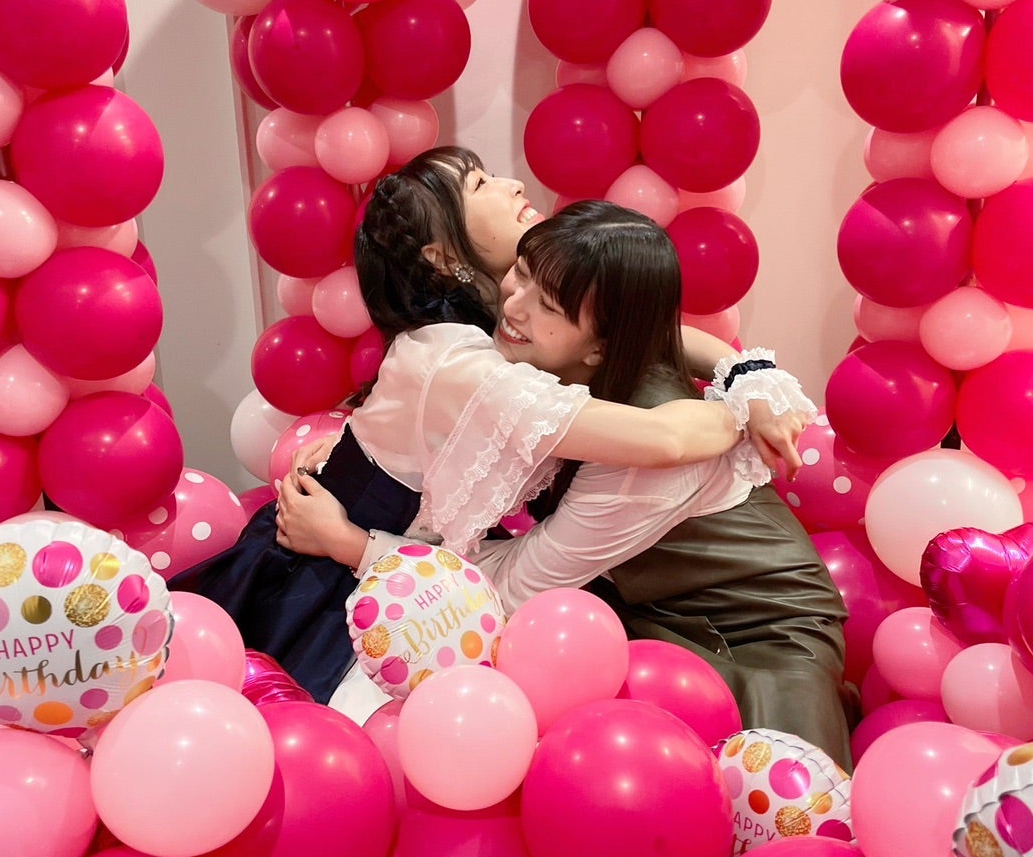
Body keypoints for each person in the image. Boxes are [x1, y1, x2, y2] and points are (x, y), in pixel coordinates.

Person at [173, 149, 807, 704]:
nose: (511, 185)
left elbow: (654, 333)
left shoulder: (492, 321)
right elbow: (667, 439)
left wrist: (750, 373)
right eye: (479, 184)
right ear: (443, 255)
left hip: (411, 564)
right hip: (340, 581)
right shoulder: (468, 359)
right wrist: (746, 405)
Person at [286, 200, 850, 767]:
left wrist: (354, 545)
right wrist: (365, 450)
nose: (514, 305)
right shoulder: (560, 350)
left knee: (750, 791)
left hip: (751, 629)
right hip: (623, 596)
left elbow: (518, 586)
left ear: (602, 345)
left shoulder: (639, 458)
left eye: (548, 304)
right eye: (521, 272)